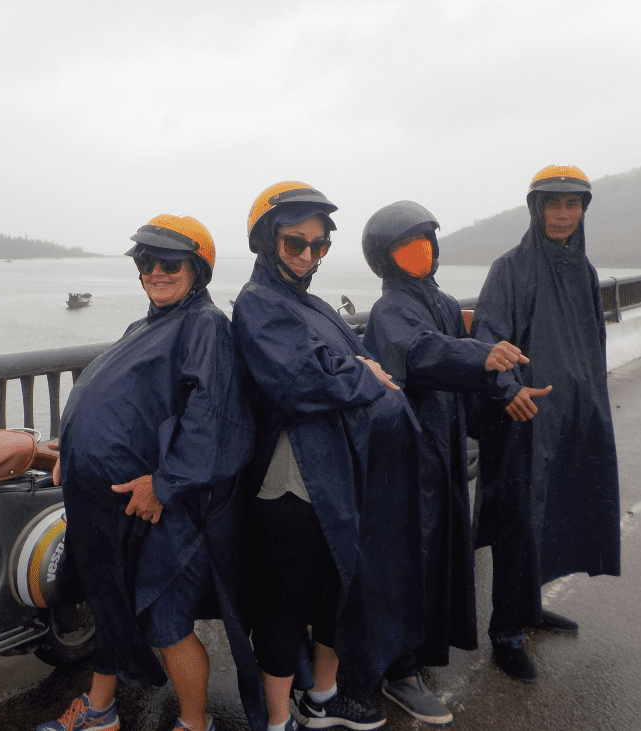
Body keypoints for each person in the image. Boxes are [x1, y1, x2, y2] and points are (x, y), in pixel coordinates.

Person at [38, 214, 262, 731]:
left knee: (165, 623)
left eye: (170, 262)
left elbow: (215, 419)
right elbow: (136, 407)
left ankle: (193, 723)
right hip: (119, 503)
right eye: (146, 261)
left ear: (198, 269)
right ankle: (100, 712)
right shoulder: (147, 326)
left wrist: (166, 482)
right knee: (112, 604)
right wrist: (72, 453)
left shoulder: (204, 325)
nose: (156, 272)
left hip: (176, 512)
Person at [231, 182, 423, 731]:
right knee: (287, 601)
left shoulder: (310, 304)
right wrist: (363, 374)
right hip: (290, 480)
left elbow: (350, 355)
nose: (308, 256)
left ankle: (322, 696)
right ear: (267, 242)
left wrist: (360, 367)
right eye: (296, 244)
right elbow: (296, 378)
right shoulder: (257, 303)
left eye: (320, 246)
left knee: (339, 589)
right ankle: (275, 719)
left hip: (339, 473)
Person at [361, 200, 549, 724]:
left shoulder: (441, 301)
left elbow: (464, 376)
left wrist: (503, 391)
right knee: (408, 562)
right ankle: (398, 671)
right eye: (408, 245)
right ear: (386, 258)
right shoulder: (391, 309)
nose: (422, 252)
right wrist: (480, 357)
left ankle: (421, 653)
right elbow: (422, 354)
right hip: (406, 458)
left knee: (442, 557)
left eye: (427, 241)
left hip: (442, 456)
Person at [471, 165, 621, 682]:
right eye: (552, 204)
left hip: (576, 418)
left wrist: (595, 405)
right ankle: (506, 633)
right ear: (536, 209)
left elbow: (593, 346)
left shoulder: (585, 271)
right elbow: (490, 339)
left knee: (559, 509)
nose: (562, 215)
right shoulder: (510, 269)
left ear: (583, 210)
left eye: (572, 204)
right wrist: (508, 390)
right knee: (521, 520)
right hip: (527, 420)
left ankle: (530, 608)